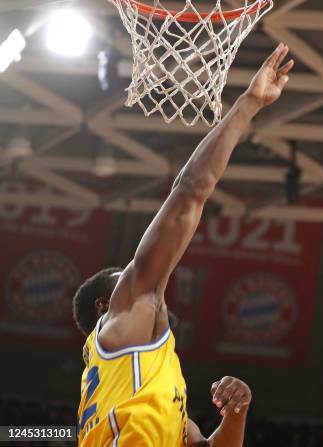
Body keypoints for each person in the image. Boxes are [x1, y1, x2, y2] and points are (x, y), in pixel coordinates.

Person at [73, 43, 294, 447]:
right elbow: (188, 193)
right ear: (105, 306)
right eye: (126, 276)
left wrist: (236, 412)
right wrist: (247, 105)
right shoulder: (128, 316)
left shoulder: (147, 378)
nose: (143, 271)